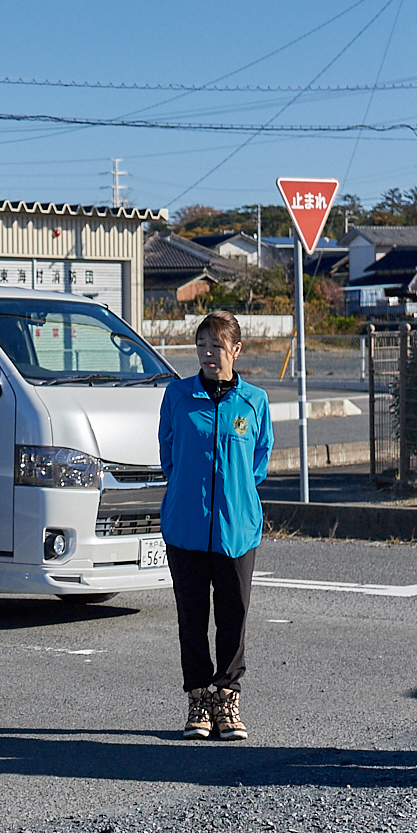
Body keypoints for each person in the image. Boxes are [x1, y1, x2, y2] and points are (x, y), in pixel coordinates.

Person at [159, 310, 273, 741]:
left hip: (237, 529)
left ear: (236, 350)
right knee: (191, 618)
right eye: (202, 344)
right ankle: (198, 699)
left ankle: (227, 697)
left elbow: (259, 460)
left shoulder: (254, 401)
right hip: (186, 526)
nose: (208, 353)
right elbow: (168, 452)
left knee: (233, 616)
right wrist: (189, 489)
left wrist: (235, 493)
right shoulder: (177, 395)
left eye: (217, 345)